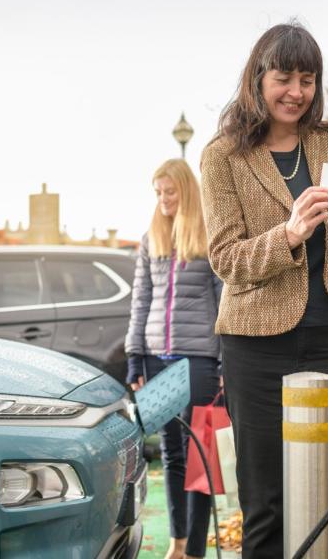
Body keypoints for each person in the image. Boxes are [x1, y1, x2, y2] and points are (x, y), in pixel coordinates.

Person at [198, 22, 328, 559]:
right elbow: (226, 259)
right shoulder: (224, 155)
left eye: (308, 79)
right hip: (257, 346)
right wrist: (289, 233)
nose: (296, 92)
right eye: (284, 77)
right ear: (257, 79)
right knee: (267, 504)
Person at [125, 158, 223, 559]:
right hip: (156, 359)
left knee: (199, 454)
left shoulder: (210, 234)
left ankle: (197, 549)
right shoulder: (152, 238)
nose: (164, 200)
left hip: (198, 359)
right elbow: (141, 300)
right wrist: (135, 356)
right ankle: (178, 543)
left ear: (187, 190)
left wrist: (224, 363)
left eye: (171, 191)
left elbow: (223, 300)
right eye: (159, 193)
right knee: (170, 454)